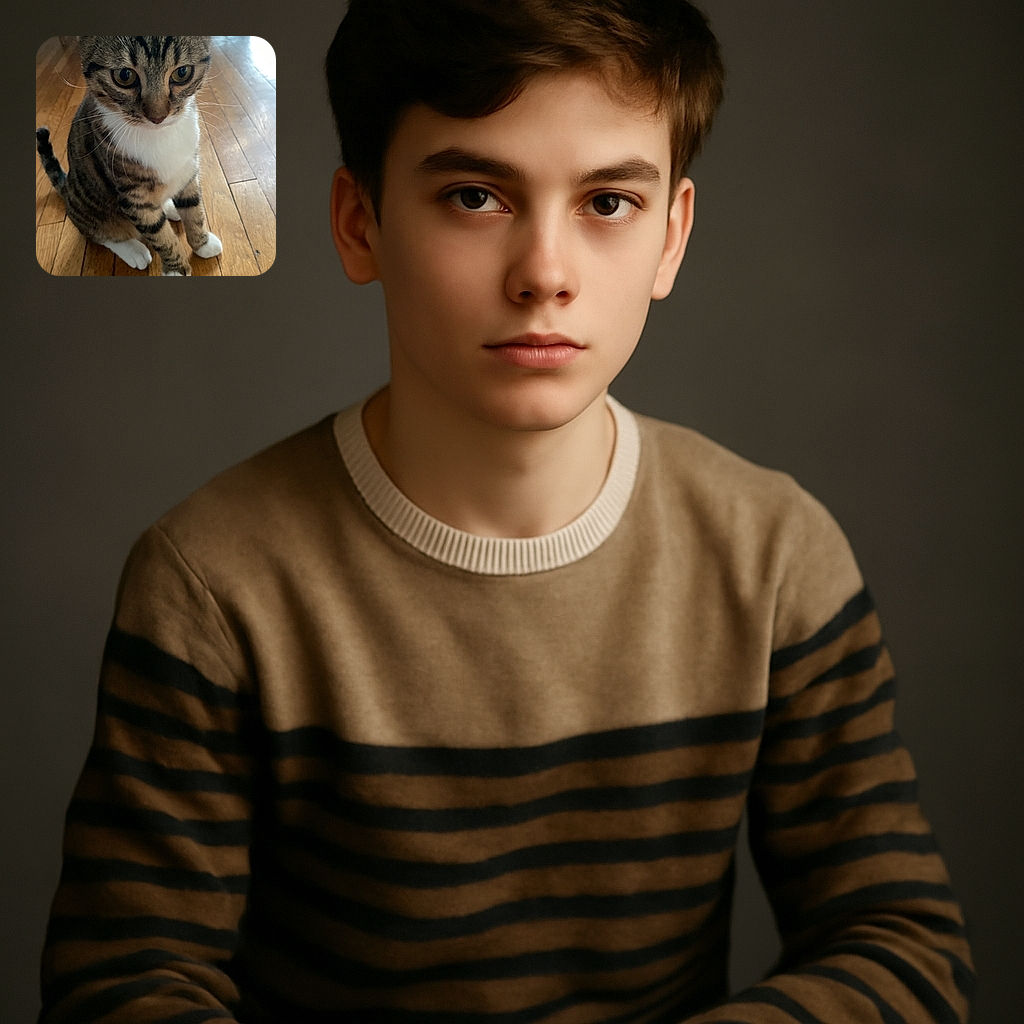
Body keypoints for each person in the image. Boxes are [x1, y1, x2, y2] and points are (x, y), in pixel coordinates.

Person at [38, 1, 974, 1021]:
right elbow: (120, 983)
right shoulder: (213, 582)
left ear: (672, 237)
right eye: (476, 195)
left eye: (608, 202)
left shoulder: (776, 555)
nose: (544, 275)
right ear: (361, 224)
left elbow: (900, 942)